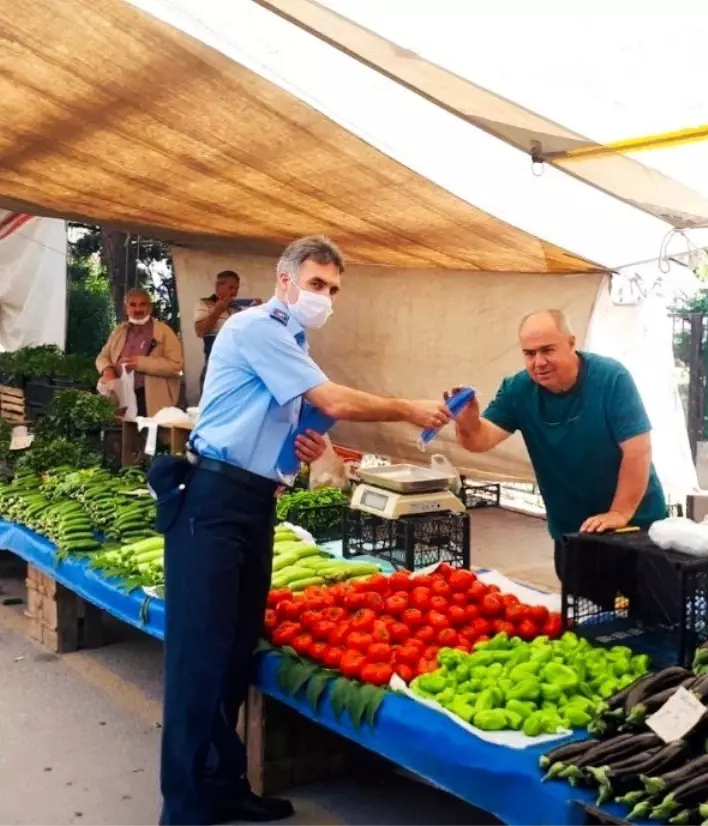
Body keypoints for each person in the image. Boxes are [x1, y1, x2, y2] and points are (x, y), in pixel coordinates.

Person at [154, 235, 451, 826]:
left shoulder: (294, 342)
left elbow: (293, 416)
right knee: (199, 660)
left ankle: (224, 784)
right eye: (317, 285)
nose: (325, 298)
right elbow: (331, 396)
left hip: (253, 503)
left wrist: (302, 446)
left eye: (334, 289)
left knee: (237, 651)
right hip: (211, 502)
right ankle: (184, 808)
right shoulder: (255, 326)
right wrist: (407, 408)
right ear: (285, 281)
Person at [447, 308, 668, 584]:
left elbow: (638, 449)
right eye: (529, 353)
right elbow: (481, 440)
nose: (539, 362)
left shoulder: (611, 378)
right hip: (573, 532)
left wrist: (619, 512)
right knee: (580, 617)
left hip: (638, 525)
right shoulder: (517, 389)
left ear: (572, 343)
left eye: (547, 350)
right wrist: (467, 423)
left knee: (651, 615)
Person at [96, 288, 184, 417]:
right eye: (133, 305)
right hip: (121, 397)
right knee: (124, 435)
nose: (138, 309)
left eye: (142, 304)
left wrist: (141, 363)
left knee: (150, 435)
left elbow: (176, 365)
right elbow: (103, 356)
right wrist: (108, 370)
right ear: (126, 308)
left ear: (150, 307)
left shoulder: (164, 332)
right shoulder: (119, 331)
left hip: (151, 398)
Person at [193, 270, 259, 388]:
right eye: (231, 287)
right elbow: (200, 331)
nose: (234, 292)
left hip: (237, 365)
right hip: (215, 364)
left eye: (236, 288)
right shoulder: (204, 304)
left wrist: (256, 312)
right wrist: (218, 310)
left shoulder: (236, 309)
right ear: (218, 286)